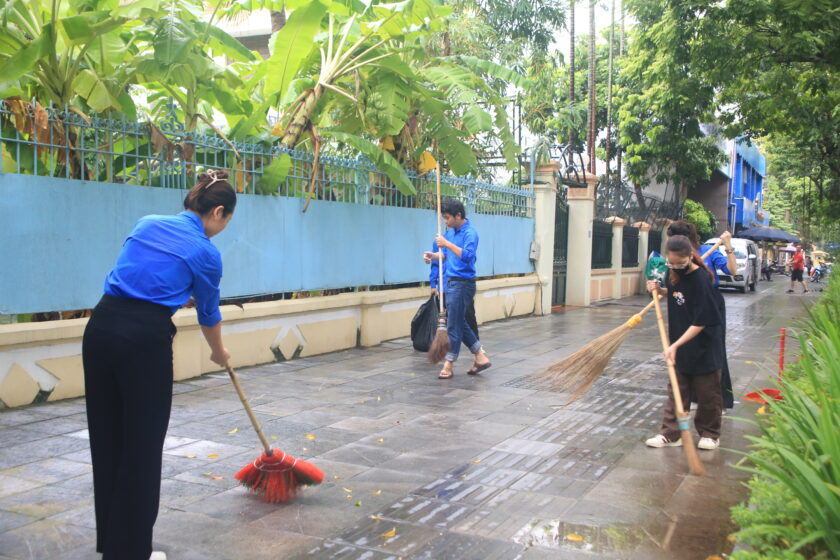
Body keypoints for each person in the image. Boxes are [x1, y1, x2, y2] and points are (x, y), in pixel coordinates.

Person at [83, 170, 235, 560]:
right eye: (226, 220)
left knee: (108, 438)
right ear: (217, 211)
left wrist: (170, 293)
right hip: (143, 341)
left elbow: (141, 271)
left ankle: (113, 546)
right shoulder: (206, 252)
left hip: (100, 327)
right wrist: (219, 353)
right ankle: (132, 551)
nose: (223, 227)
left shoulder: (147, 222)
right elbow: (208, 314)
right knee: (142, 446)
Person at [645, 235, 724, 450]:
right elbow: (676, 295)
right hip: (680, 342)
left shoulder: (701, 280)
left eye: (679, 263)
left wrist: (675, 345)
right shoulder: (674, 275)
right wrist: (657, 289)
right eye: (671, 263)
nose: (675, 267)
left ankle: (710, 434)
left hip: (704, 345)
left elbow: (702, 321)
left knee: (708, 393)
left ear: (690, 257)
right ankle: (671, 434)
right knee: (677, 391)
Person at [666, 221, 736, 411]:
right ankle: (688, 399)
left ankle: (717, 400)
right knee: (684, 352)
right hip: (685, 306)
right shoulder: (674, 258)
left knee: (712, 352)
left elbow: (732, 271)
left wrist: (728, 246)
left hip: (710, 305)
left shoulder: (708, 251)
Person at [423, 198, 490, 379]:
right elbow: (445, 256)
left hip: (463, 284)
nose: (445, 222)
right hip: (451, 282)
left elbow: (467, 256)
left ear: (458, 215)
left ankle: (448, 363)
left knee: (454, 324)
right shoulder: (450, 233)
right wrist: (433, 256)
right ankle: (480, 356)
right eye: (444, 218)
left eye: (447, 218)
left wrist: (447, 244)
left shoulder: (470, 233)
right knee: (459, 322)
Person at [428, 240, 479, 340]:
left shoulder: (463, 239)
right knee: (447, 318)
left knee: (468, 314)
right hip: (445, 286)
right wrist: (433, 284)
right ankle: (449, 343)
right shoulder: (438, 242)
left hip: (461, 285)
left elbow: (471, 258)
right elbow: (435, 264)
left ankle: (476, 342)